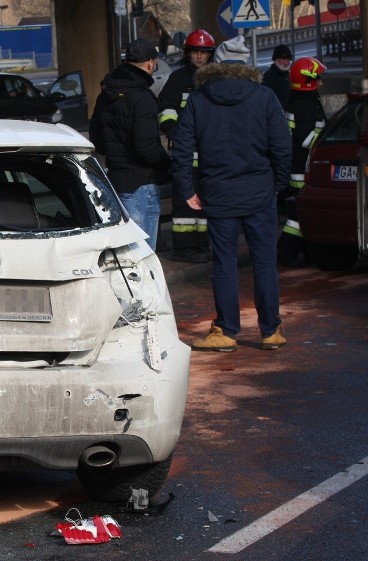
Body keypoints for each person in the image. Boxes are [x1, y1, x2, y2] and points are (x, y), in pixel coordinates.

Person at [170, 35, 291, 352]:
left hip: (218, 193)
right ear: (246, 66)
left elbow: (181, 148)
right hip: (259, 193)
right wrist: (278, 182)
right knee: (264, 263)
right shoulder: (264, 96)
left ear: (217, 64)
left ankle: (226, 330)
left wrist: (186, 189)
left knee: (224, 264)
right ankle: (271, 330)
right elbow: (281, 145)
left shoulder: (199, 99)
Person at [89, 39, 170, 251]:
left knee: (126, 256)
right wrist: (167, 164)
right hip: (141, 185)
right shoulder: (143, 98)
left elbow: (97, 139)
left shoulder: (105, 94)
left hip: (115, 180)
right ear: (150, 63)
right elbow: (147, 148)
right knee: (142, 257)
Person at [157, 29, 215, 263]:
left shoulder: (215, 79)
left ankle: (201, 245)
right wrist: (176, 133)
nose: (199, 57)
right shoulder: (178, 79)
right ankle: (183, 249)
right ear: (187, 53)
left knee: (206, 204)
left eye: (204, 52)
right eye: (195, 52)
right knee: (184, 205)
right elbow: (166, 109)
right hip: (185, 155)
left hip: (210, 155)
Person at [278, 57, 327, 268]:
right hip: (301, 170)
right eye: (319, 78)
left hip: (297, 167)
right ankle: (288, 252)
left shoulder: (299, 99)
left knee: (298, 216)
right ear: (309, 80)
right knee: (299, 217)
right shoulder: (305, 104)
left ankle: (300, 252)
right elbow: (307, 139)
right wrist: (327, 135)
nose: (322, 83)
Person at [262, 44, 293, 110]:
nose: (286, 63)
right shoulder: (269, 77)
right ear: (275, 60)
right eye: (283, 59)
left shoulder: (286, 75)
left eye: (288, 59)